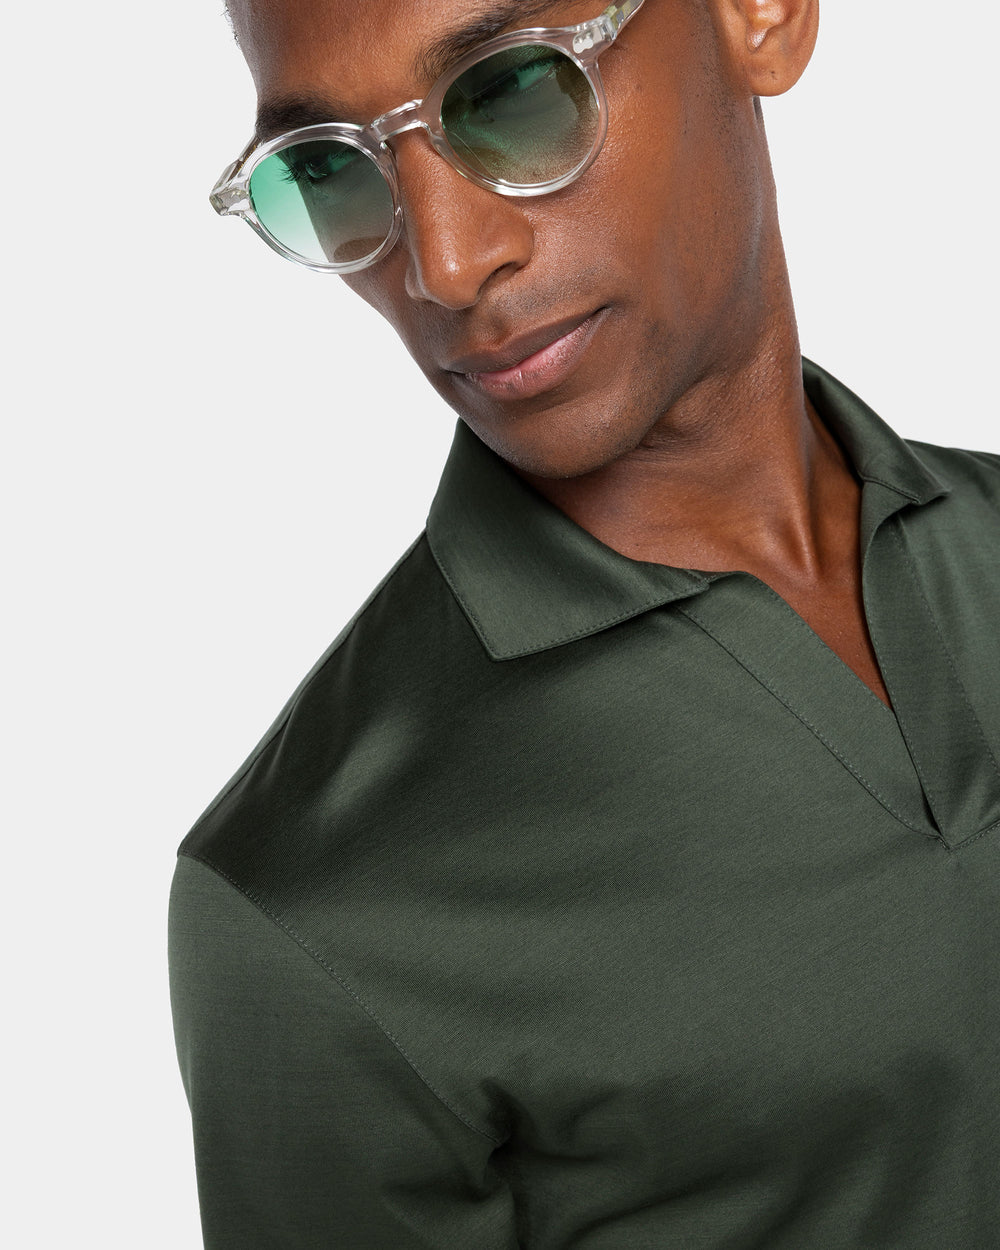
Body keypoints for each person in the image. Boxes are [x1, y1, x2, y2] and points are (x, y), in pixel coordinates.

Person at [168, 1, 1000, 1245]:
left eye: (511, 93)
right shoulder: (309, 896)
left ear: (759, 17)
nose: (445, 264)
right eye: (328, 171)